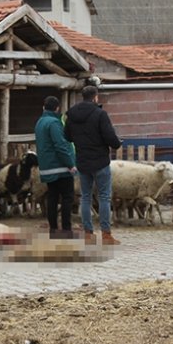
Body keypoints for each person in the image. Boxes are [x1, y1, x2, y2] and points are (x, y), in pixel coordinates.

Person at [64, 86, 122, 245]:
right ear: (95, 97)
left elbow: (67, 136)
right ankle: (106, 234)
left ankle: (88, 233)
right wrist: (117, 144)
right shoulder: (100, 114)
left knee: (85, 197)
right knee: (104, 197)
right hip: (100, 161)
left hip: (82, 161)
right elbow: (110, 136)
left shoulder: (72, 114)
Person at [34, 96, 77, 239]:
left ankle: (53, 229)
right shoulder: (54, 123)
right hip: (60, 168)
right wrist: (70, 164)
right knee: (67, 198)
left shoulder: (40, 122)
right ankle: (66, 229)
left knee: (52, 198)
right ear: (57, 108)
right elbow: (60, 145)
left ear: (43, 107)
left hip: (47, 167)